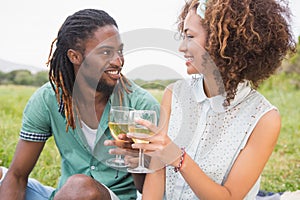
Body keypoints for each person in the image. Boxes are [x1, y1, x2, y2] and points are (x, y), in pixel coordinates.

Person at [125, 0, 296, 199]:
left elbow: (230, 196)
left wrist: (179, 159)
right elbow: (157, 172)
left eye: (190, 36)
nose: (181, 47)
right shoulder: (174, 94)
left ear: (223, 41)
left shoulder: (264, 118)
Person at [0, 9, 159, 200]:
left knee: (80, 187)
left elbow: (150, 189)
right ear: (75, 57)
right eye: (106, 52)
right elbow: (17, 175)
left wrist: (137, 161)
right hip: (65, 195)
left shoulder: (140, 105)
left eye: (120, 51)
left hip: (112, 197)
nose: (119, 61)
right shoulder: (47, 99)